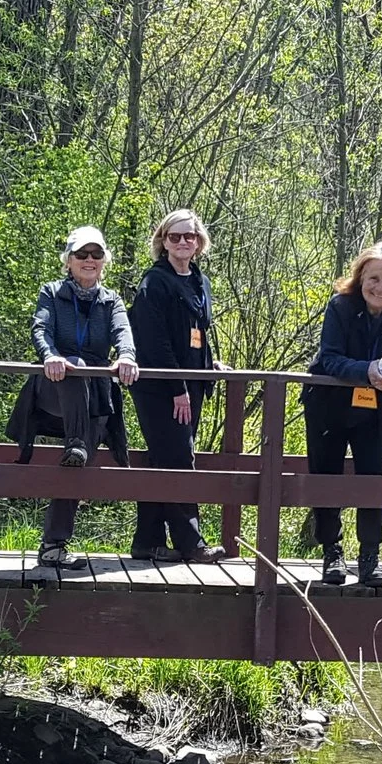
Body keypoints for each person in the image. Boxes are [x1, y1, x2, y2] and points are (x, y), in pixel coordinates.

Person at [306, 242, 382, 587]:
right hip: (329, 404)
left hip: (377, 407)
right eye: (373, 278)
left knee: (372, 480)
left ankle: (369, 557)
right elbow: (329, 357)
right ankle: (332, 552)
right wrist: (367, 370)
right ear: (361, 278)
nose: (380, 288)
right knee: (325, 478)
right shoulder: (341, 305)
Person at [26, 226, 139, 571]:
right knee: (73, 366)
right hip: (54, 385)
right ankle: (76, 441)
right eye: (82, 254)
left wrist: (127, 357)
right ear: (69, 261)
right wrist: (49, 355)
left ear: (104, 261)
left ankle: (53, 546)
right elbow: (40, 328)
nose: (89, 260)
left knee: (77, 465)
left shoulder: (112, 300)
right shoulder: (52, 292)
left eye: (96, 254)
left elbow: (123, 332)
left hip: (94, 395)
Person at [127, 209, 229, 562]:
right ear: (163, 241)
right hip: (161, 388)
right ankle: (191, 543)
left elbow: (196, 332)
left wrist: (208, 364)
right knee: (178, 459)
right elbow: (155, 343)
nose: (183, 242)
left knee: (162, 460)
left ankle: (148, 541)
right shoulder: (154, 282)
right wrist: (177, 388)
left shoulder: (199, 281)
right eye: (175, 236)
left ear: (199, 243)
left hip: (191, 384)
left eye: (190, 236)